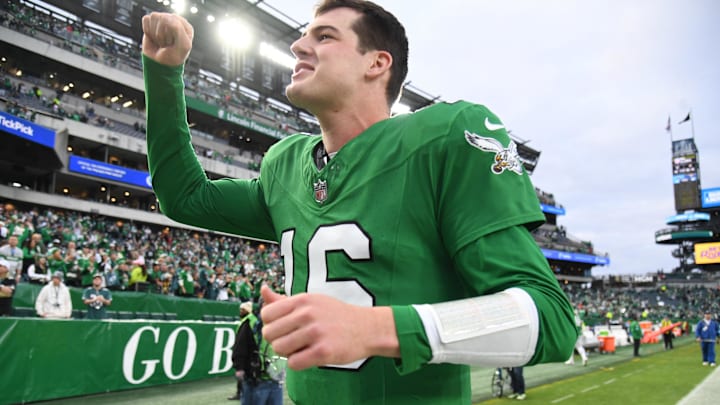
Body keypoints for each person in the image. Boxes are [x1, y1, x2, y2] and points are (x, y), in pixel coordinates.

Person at [141, 1, 576, 403]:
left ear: (377, 62)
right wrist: (164, 74)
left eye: (324, 36)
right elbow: (185, 198)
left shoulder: (444, 136)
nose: (298, 45)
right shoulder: (286, 166)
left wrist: (379, 328)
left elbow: (552, 321)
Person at [231, 300, 283, 405]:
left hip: (275, 379)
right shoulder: (251, 323)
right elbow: (240, 347)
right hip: (256, 379)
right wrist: (240, 368)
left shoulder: (279, 323)